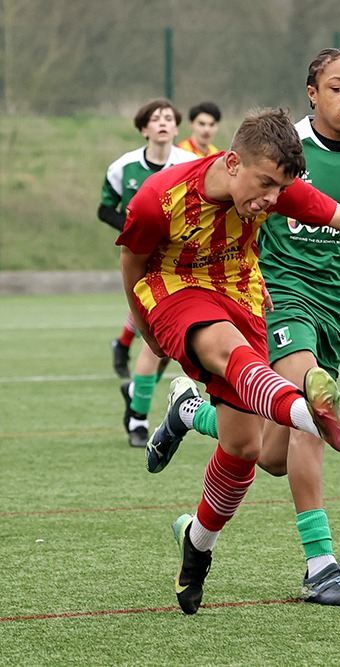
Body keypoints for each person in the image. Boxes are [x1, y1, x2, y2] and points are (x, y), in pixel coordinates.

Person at [117, 107, 340, 614]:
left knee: (249, 451)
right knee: (226, 350)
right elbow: (132, 262)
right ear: (230, 162)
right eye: (263, 184)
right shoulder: (158, 201)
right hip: (174, 288)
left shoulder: (278, 189)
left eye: (278, 189)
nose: (270, 199)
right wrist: (148, 328)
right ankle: (311, 413)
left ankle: (197, 543)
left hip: (241, 289)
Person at [99, 99, 199, 446]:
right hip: (143, 264)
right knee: (153, 344)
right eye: (155, 119)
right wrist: (132, 232)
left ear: (176, 128)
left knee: (165, 348)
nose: (162, 123)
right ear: (144, 128)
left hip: (179, 262)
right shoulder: (123, 168)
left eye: (169, 118)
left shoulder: (190, 164)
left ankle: (135, 394)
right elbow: (104, 209)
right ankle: (138, 422)